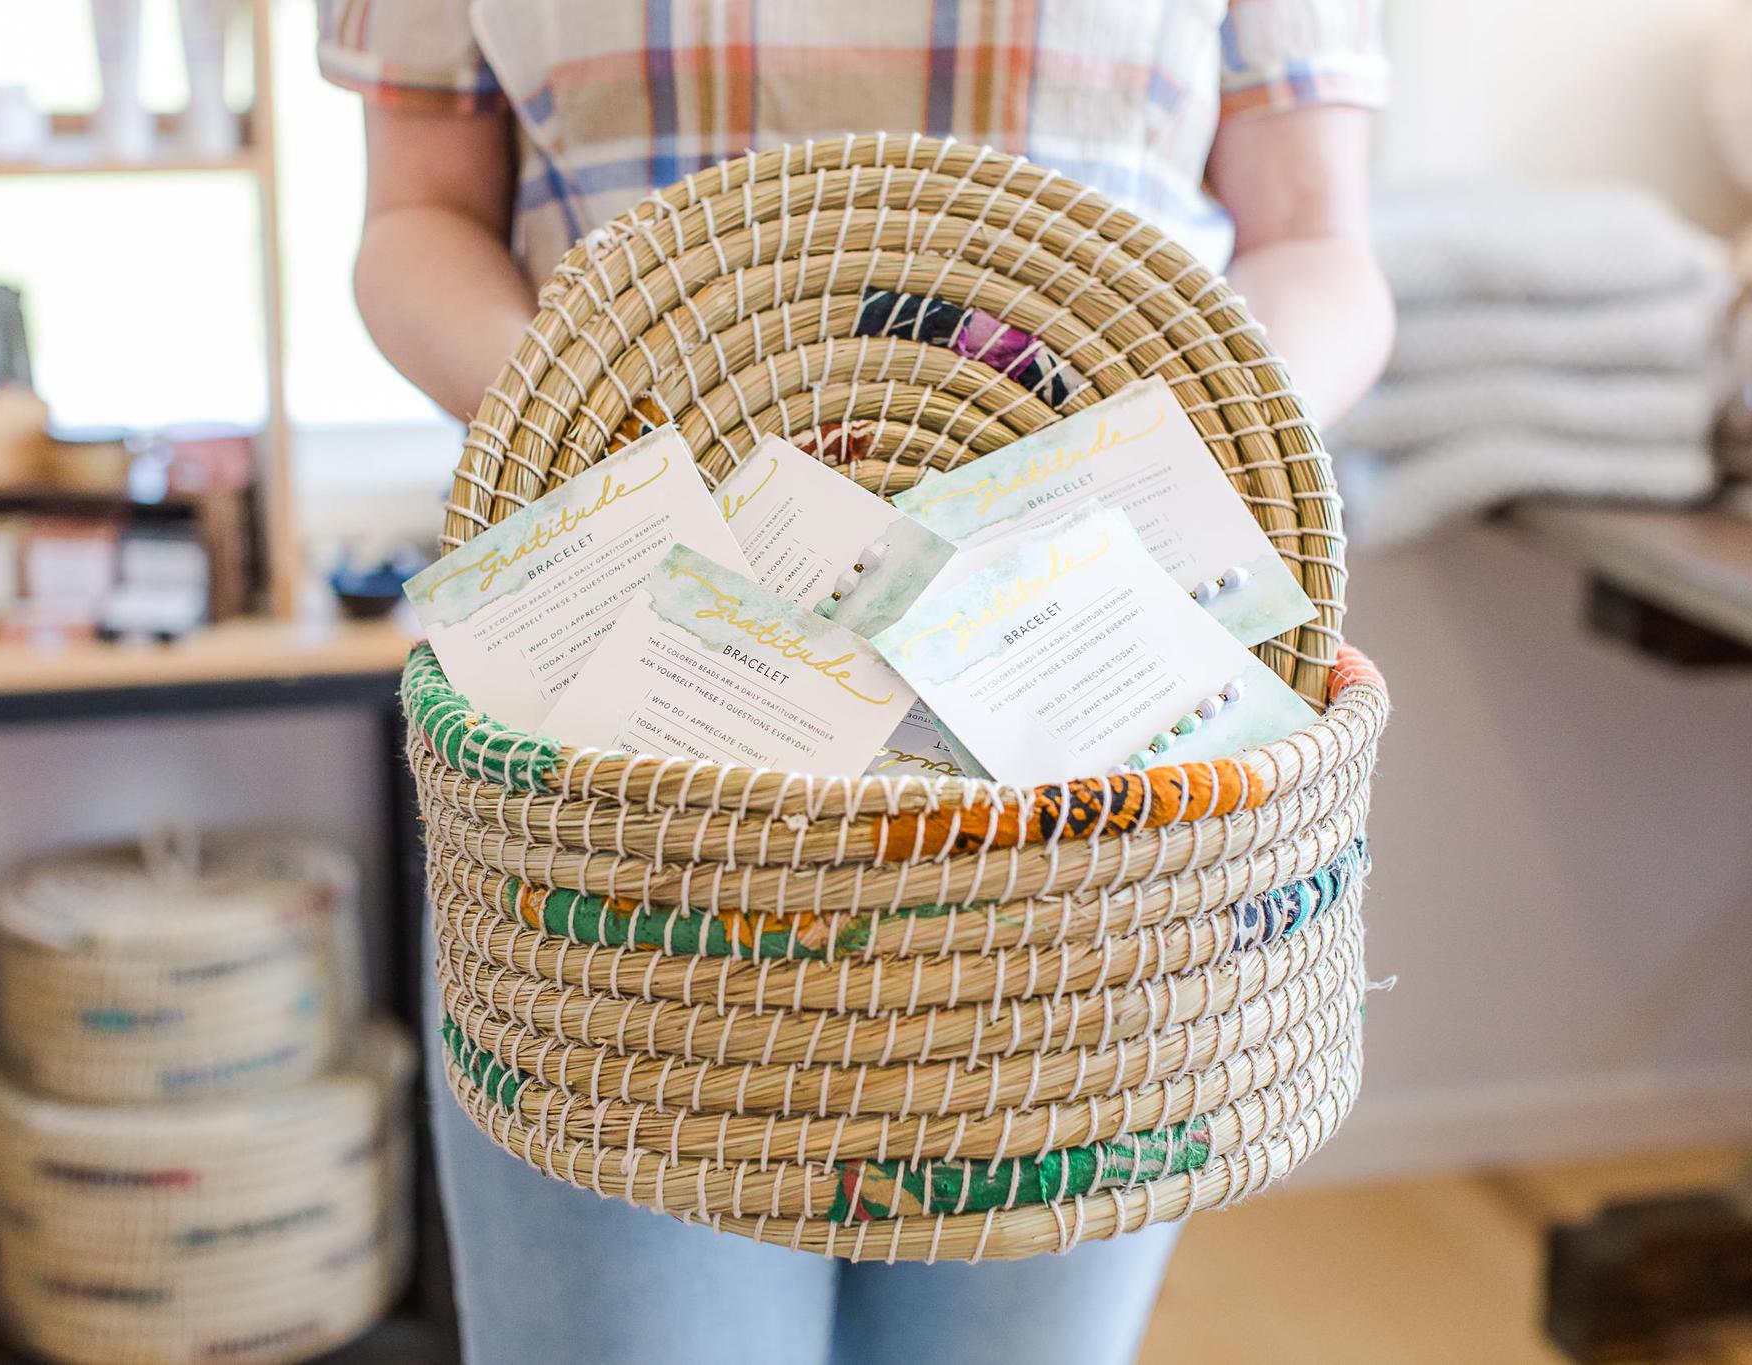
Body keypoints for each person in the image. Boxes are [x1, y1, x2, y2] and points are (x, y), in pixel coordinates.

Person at [321, 5, 1390, 1363]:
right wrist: (649, 443)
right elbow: (415, 215)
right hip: (626, 727)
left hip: (1087, 764)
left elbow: (1316, 240)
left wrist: (1175, 460)